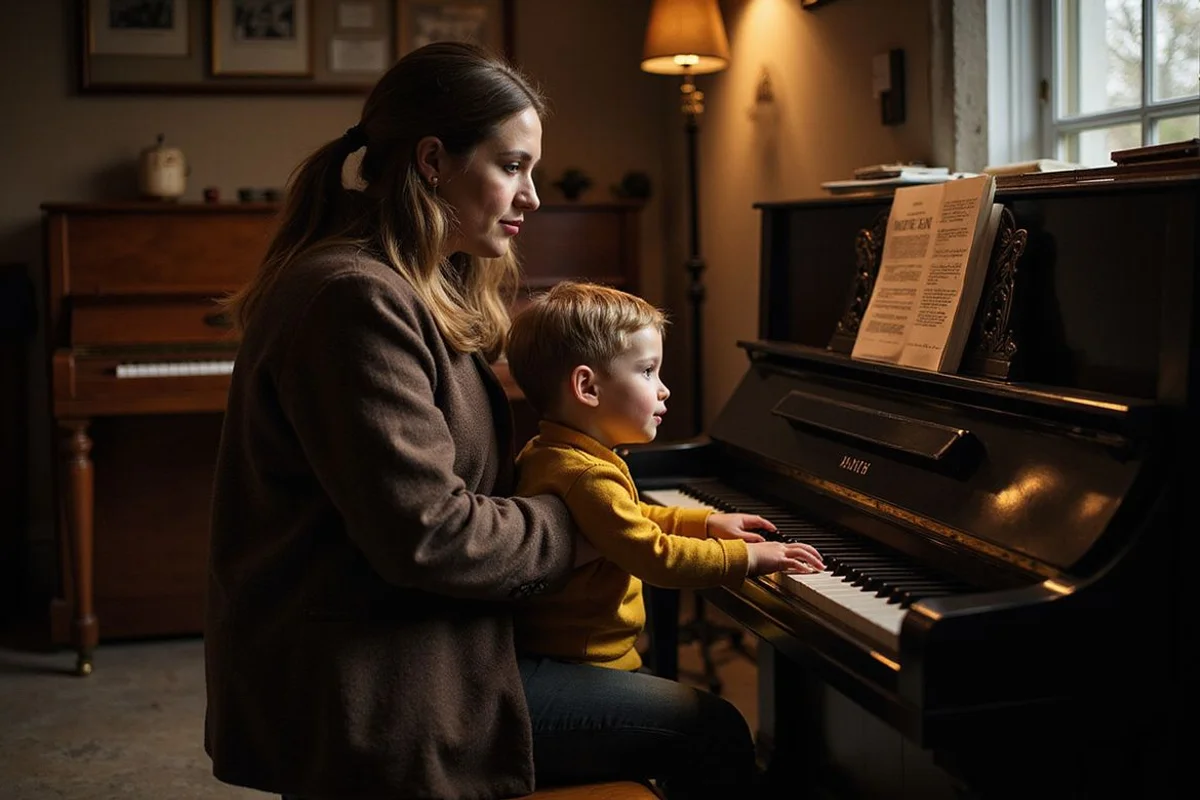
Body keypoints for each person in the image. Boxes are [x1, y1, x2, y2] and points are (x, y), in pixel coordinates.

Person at [201, 40, 763, 800]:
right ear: (433, 161)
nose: (532, 195)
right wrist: (595, 523)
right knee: (706, 728)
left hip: (437, 644)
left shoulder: (404, 286)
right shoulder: (354, 299)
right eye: (512, 166)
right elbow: (430, 534)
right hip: (382, 678)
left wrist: (634, 518)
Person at [505, 281, 825, 679]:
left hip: (584, 656)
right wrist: (751, 558)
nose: (664, 389)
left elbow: (630, 519)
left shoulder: (555, 452)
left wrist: (705, 523)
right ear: (587, 387)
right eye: (647, 371)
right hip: (585, 664)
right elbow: (658, 558)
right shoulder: (586, 476)